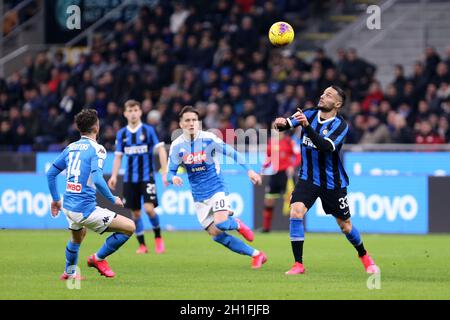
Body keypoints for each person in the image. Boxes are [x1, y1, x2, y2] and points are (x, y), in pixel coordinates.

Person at [273, 86, 380, 275]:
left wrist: (306, 126)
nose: (323, 96)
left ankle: (364, 255)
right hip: (308, 178)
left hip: (332, 183)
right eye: (323, 93)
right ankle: (298, 264)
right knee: (296, 211)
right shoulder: (309, 114)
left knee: (345, 225)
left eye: (328, 95)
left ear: (337, 104)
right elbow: (285, 125)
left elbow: (325, 146)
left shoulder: (340, 125)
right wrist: (280, 123)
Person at [167, 106, 267, 268]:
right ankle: (257, 254)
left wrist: (249, 170)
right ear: (181, 124)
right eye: (187, 120)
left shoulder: (209, 139)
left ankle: (238, 224)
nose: (191, 123)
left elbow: (232, 152)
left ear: (198, 123)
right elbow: (169, 173)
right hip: (199, 195)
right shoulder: (177, 146)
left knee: (221, 223)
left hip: (216, 186)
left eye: (194, 120)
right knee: (217, 234)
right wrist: (174, 178)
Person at [46, 109, 135, 279]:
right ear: (97, 127)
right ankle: (98, 258)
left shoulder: (70, 148)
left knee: (77, 238)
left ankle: (69, 272)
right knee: (129, 227)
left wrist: (56, 199)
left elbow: (50, 173)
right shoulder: (97, 149)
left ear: (79, 129)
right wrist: (112, 199)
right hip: (84, 209)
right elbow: (98, 179)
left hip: (68, 206)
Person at [108, 100, 168, 254]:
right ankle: (142, 245)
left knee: (149, 209)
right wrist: (114, 175)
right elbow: (118, 157)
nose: (133, 113)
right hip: (129, 179)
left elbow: (161, 150)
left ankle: (158, 238)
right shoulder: (122, 134)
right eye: (130, 110)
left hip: (146, 177)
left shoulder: (148, 131)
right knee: (135, 213)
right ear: (125, 113)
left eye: (136, 110)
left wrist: (165, 171)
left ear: (140, 112)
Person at [261, 130, 301, 232]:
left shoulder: (289, 142)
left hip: (286, 175)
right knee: (269, 200)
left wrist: (292, 166)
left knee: (291, 202)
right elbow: (269, 158)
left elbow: (298, 156)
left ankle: (295, 228)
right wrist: (262, 170)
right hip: (275, 174)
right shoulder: (271, 142)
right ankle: (266, 228)